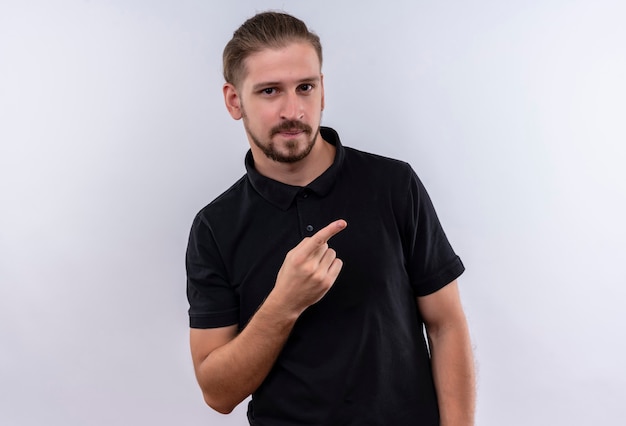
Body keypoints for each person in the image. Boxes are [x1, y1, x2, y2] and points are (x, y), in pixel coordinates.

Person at [186, 11, 475, 426]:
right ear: (235, 100)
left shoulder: (393, 184)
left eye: (305, 87)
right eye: (269, 91)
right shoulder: (215, 227)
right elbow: (218, 392)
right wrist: (284, 303)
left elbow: (446, 324)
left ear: (322, 90)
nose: (293, 110)